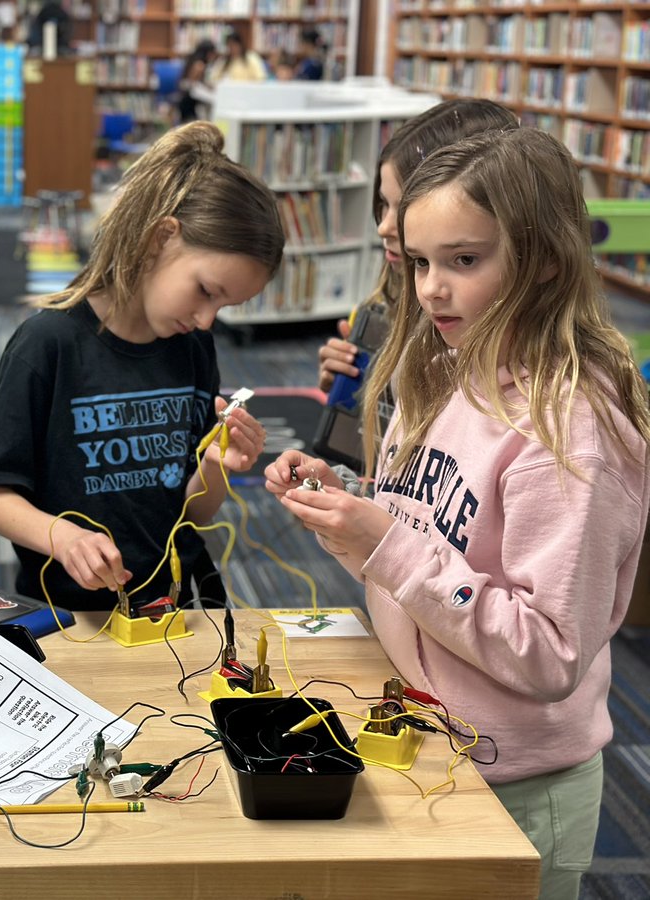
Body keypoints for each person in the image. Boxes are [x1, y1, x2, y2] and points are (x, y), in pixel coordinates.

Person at [265, 127, 650, 900]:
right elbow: (432, 535)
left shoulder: (569, 433)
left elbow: (548, 655)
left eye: (464, 261)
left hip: (515, 788)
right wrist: (350, 516)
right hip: (429, 735)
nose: (430, 290)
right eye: (419, 264)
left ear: (544, 259)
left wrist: (387, 544)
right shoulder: (450, 370)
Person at [0, 121, 284, 612]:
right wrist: (63, 538)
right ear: (161, 238)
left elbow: (192, 514)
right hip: (67, 613)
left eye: (224, 307)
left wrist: (216, 467)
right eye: (205, 291)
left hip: (172, 606)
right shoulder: (49, 344)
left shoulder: (194, 347)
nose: (206, 320)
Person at [315, 99, 519, 467]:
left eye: (404, 207)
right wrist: (362, 390)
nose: (384, 226)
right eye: (384, 204)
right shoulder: (393, 298)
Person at [178, 39, 217, 124]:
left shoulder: (192, 60)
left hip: (188, 99)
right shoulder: (199, 65)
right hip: (190, 103)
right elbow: (192, 84)